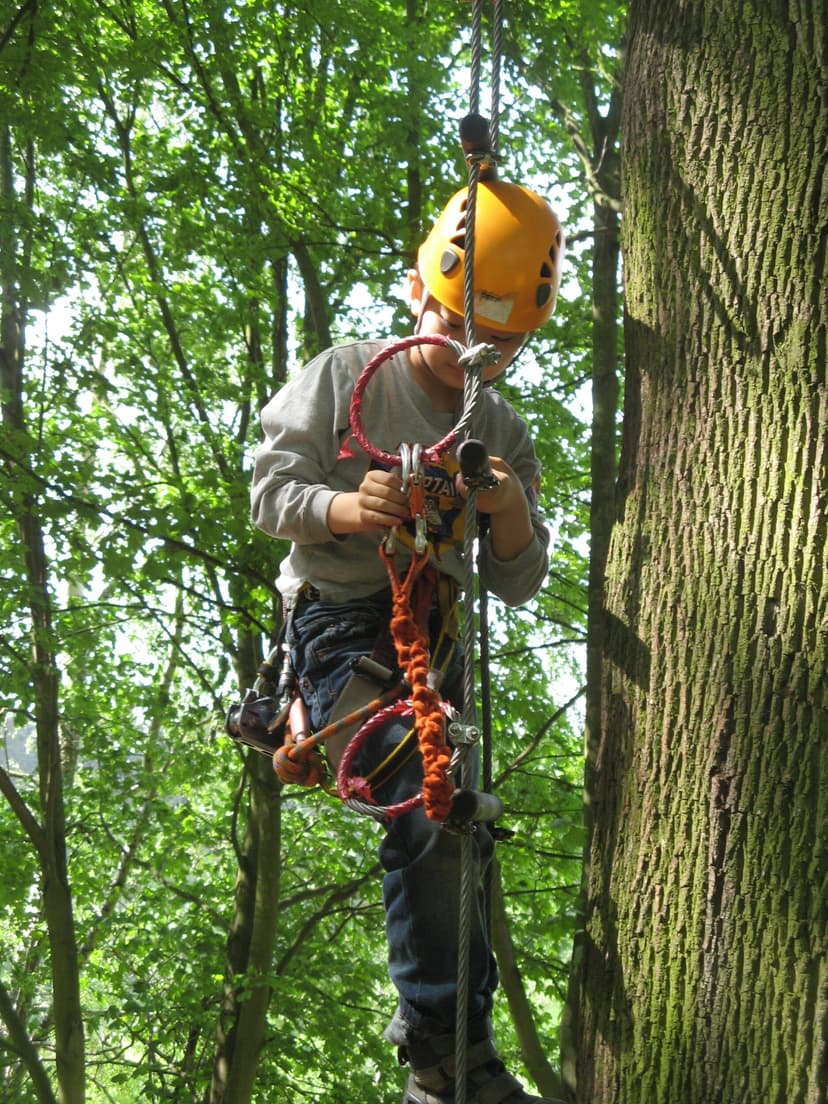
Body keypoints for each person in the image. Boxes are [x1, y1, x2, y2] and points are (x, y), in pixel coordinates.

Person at [250, 179, 565, 1104]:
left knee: (458, 824)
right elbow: (271, 494)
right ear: (416, 291)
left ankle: (454, 1049)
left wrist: (504, 508)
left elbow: (519, 576)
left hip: (438, 633)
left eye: (502, 346)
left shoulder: (500, 429)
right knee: (432, 802)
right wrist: (347, 507)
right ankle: (441, 1047)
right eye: (464, 326)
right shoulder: (349, 374)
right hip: (339, 626)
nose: (479, 355)